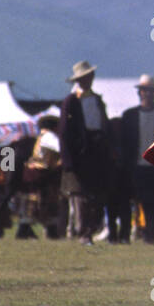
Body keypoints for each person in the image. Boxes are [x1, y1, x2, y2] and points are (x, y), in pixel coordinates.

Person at [58, 60, 111, 244]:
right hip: (80, 153)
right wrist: (68, 161)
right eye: (83, 78)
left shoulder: (97, 100)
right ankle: (83, 232)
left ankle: (91, 228)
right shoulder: (70, 102)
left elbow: (104, 125)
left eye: (89, 77)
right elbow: (64, 133)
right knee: (79, 194)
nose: (86, 80)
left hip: (97, 152)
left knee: (96, 194)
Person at [120, 75, 154, 245]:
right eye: (144, 90)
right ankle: (143, 232)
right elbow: (124, 142)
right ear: (139, 92)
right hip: (136, 165)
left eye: (150, 90)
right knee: (140, 201)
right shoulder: (129, 115)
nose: (147, 94)